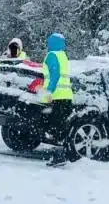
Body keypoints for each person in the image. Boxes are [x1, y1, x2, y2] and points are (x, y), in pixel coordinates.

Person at [42, 33, 74, 166]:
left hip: (57, 96)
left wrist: (49, 91)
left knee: (54, 127)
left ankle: (58, 157)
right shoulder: (63, 56)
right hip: (66, 95)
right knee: (62, 126)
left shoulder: (51, 56)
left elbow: (54, 74)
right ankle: (63, 154)